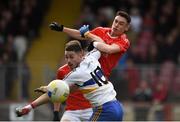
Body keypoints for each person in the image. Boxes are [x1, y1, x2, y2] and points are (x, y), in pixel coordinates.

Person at [49, 10, 131, 120]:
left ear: (126, 28)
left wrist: (90, 37)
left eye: (121, 24)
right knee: (62, 87)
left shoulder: (124, 41)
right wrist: (62, 28)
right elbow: (81, 35)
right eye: (116, 21)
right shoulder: (101, 30)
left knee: (63, 88)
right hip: (85, 71)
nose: (116, 25)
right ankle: (56, 110)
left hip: (98, 78)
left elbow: (108, 49)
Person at [16, 40, 124, 121]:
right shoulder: (92, 57)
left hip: (104, 109)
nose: (68, 61)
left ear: (81, 54)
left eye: (71, 57)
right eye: (66, 57)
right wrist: (94, 43)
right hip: (116, 106)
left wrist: (45, 88)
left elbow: (55, 90)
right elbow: (99, 47)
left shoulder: (75, 74)